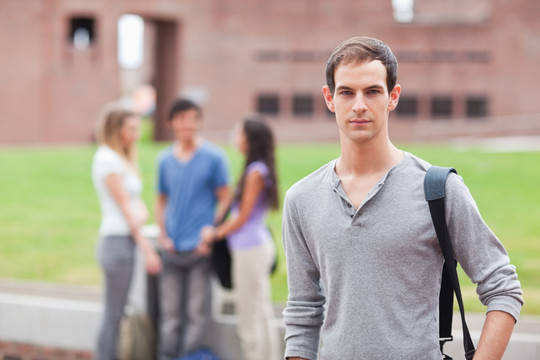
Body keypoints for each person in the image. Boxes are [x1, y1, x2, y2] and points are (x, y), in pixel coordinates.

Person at [281, 36, 523, 360]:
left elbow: (503, 288)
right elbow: (302, 311)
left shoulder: (438, 190)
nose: (359, 105)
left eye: (372, 91)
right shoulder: (301, 199)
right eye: (347, 92)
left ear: (393, 97)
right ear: (329, 98)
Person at [198, 116, 280, 360]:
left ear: (250, 139)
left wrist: (214, 234)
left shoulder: (255, 172)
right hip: (254, 248)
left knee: (249, 321)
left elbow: (242, 217)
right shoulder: (256, 169)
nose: (235, 139)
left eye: (239, 134)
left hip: (250, 251)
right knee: (262, 313)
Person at [155, 98, 230, 360]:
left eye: (192, 119)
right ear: (171, 123)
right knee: (170, 314)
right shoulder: (163, 160)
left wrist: (210, 233)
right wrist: (163, 236)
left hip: (200, 250)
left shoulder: (214, 157)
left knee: (197, 313)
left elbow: (225, 199)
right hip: (172, 249)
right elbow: (161, 200)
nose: (188, 124)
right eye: (182, 119)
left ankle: (188, 357)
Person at [92, 107, 162, 360]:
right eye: (130, 129)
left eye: (137, 128)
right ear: (115, 129)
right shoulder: (107, 159)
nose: (137, 134)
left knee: (117, 311)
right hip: (117, 243)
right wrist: (148, 249)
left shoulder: (118, 158)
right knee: (113, 314)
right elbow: (128, 212)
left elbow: (135, 209)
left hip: (123, 242)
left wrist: (138, 214)